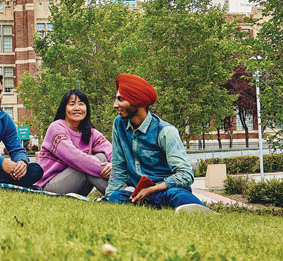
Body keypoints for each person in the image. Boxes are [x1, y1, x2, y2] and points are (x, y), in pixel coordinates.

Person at [104, 73, 217, 214]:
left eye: (120, 100)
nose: (115, 105)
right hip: (138, 194)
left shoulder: (165, 131)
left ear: (137, 101)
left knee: (178, 195)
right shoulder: (119, 124)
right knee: (116, 196)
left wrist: (151, 189)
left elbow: (186, 174)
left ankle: (204, 212)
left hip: (166, 191)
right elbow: (119, 167)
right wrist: (109, 198)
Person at [37, 89, 112, 196]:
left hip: (77, 184)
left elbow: (110, 150)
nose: (77, 108)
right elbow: (75, 158)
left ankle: (121, 192)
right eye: (72, 104)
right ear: (64, 109)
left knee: (102, 157)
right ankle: (119, 195)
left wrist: (114, 166)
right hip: (50, 185)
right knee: (86, 164)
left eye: (81, 104)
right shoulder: (56, 128)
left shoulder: (90, 132)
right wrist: (107, 170)